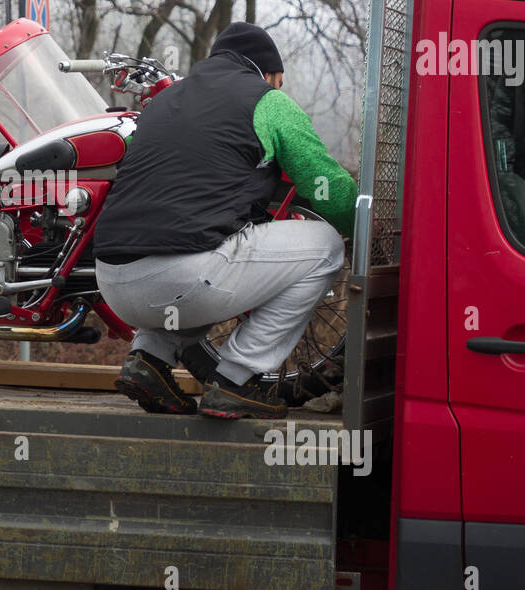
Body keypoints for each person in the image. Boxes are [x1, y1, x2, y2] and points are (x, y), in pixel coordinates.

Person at [93, 22, 357, 419]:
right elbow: (325, 186)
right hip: (183, 280)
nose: (277, 88)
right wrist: (366, 228)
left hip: (112, 282)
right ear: (267, 72)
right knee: (325, 248)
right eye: (277, 81)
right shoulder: (266, 101)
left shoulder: (164, 102)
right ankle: (236, 380)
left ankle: (149, 359)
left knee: (198, 240)